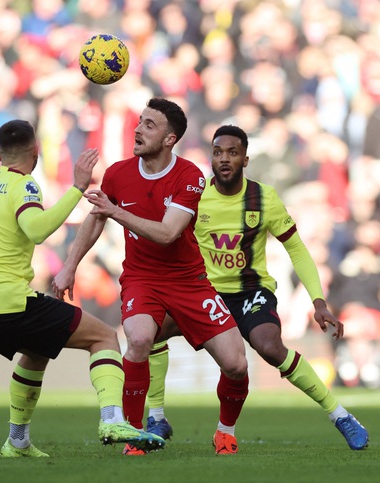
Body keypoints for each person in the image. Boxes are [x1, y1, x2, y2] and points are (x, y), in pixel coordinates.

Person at [0, 119, 164, 457]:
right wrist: (77, 188)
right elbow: (38, 230)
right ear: (36, 152)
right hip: (9, 304)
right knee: (103, 337)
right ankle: (113, 419)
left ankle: (17, 442)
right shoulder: (24, 186)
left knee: (37, 351)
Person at [146, 125, 369, 451]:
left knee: (269, 347)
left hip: (250, 292)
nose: (224, 159)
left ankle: (340, 415)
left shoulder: (264, 199)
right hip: (205, 292)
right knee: (150, 333)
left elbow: (297, 249)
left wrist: (318, 301)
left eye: (232, 153)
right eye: (218, 152)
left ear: (246, 159)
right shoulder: (194, 196)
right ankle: (156, 416)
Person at [53, 98, 249, 456]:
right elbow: (96, 219)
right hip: (142, 279)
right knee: (139, 339)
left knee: (236, 363)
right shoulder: (118, 173)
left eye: (149, 125)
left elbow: (167, 233)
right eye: (140, 122)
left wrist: (114, 211)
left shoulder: (190, 176)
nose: (138, 129)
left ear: (170, 139)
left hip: (189, 281)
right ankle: (134, 434)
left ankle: (225, 431)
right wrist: (69, 266)